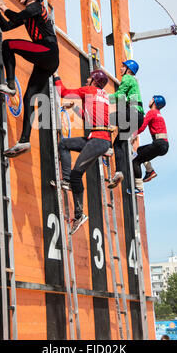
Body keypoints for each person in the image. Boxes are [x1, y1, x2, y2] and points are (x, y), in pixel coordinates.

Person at [0, 0, 59, 157]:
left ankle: (11, 84)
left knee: (8, 45)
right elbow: (7, 26)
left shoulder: (36, 7)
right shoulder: (30, 13)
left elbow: (14, 16)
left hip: (48, 51)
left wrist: (3, 5)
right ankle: (24, 141)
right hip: (49, 59)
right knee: (29, 97)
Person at [53, 70, 111, 235]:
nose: (87, 79)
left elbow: (63, 92)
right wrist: (75, 108)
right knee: (64, 144)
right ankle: (66, 181)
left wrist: (56, 75)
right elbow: (88, 117)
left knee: (77, 175)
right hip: (98, 138)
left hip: (98, 139)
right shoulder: (103, 95)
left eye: (89, 77)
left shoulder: (89, 90)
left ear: (94, 81)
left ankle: (79, 214)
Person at [107, 60, 144, 189]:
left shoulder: (128, 77)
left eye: (123, 66)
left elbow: (120, 95)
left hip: (132, 113)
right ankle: (119, 172)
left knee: (108, 117)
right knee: (118, 143)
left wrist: (105, 98)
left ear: (129, 70)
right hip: (137, 118)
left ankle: (102, 143)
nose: (121, 68)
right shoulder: (134, 81)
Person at [131, 95, 169, 196]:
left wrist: (132, 135)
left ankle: (138, 188)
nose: (149, 100)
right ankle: (150, 170)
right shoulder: (159, 114)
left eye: (151, 99)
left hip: (158, 143)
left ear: (154, 102)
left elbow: (142, 126)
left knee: (136, 161)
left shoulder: (151, 112)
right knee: (140, 150)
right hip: (164, 145)